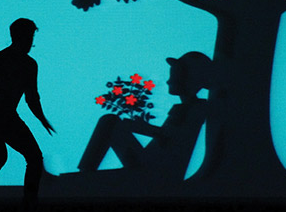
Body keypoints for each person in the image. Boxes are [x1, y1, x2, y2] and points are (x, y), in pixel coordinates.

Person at [0, 18, 54, 212]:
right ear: (19, 36)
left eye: (32, 36)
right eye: (29, 36)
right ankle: (29, 203)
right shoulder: (12, 62)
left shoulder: (15, 61)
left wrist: (42, 118)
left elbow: (31, 97)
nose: (31, 41)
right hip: (0, 117)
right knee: (32, 158)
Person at [77, 52, 211, 182]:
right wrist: (144, 128)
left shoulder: (193, 109)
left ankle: (85, 172)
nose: (169, 81)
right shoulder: (187, 107)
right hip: (150, 158)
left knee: (109, 121)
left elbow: (170, 138)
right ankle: (86, 171)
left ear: (189, 79)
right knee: (110, 121)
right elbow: (165, 136)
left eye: (175, 76)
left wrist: (143, 128)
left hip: (156, 168)